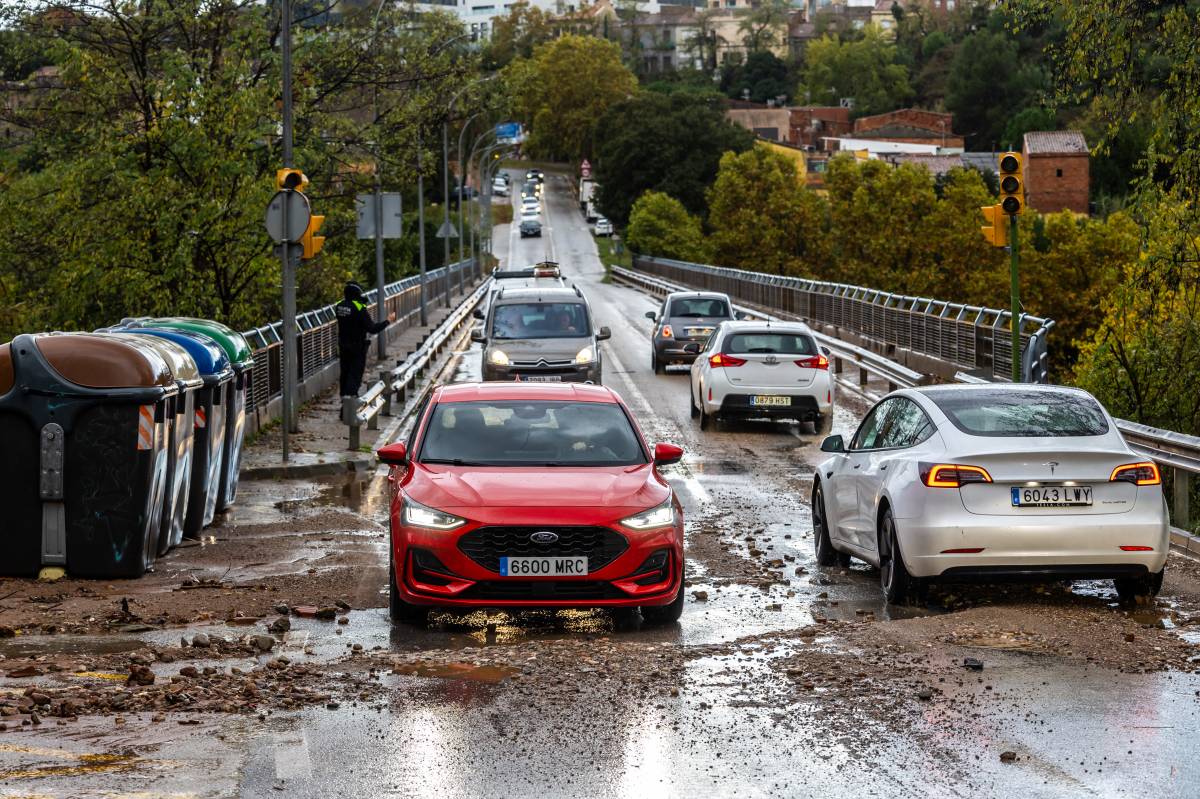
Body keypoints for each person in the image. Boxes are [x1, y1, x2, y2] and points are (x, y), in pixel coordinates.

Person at [336, 281, 396, 397]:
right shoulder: (359, 308)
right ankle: (351, 399)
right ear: (357, 293)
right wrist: (388, 320)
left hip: (343, 345)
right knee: (355, 373)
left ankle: (344, 398)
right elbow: (372, 328)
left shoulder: (339, 306)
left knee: (345, 372)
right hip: (357, 346)